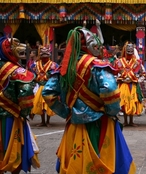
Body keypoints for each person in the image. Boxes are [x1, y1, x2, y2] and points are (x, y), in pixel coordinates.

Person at [42, 20, 136, 173]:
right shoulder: (98, 66)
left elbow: (48, 93)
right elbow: (110, 90)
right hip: (99, 124)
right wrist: (111, 111)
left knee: (75, 164)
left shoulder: (63, 68)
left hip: (74, 123)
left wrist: (66, 112)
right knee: (103, 162)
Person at [0, 36, 40, 173]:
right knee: (13, 150)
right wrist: (25, 112)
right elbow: (26, 93)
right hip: (11, 116)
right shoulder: (16, 70)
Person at [115, 41, 145, 126]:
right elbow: (115, 72)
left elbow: (143, 73)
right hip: (123, 84)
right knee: (124, 102)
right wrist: (119, 79)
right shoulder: (119, 61)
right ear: (125, 50)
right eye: (128, 51)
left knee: (132, 102)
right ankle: (125, 121)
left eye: (131, 51)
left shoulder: (137, 62)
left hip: (133, 85)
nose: (130, 53)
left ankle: (131, 121)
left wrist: (138, 79)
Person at [31, 46, 58, 127]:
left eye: (46, 57)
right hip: (40, 87)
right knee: (40, 105)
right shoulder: (35, 65)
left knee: (49, 104)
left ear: (48, 56)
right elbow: (33, 75)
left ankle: (48, 121)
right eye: (43, 57)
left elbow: (55, 76)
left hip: (49, 87)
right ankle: (42, 121)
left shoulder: (53, 65)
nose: (44, 58)